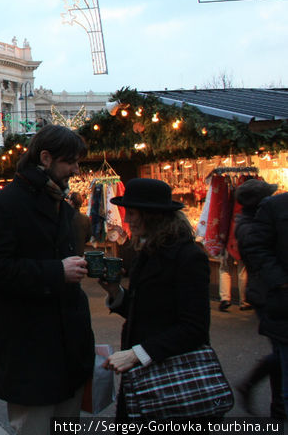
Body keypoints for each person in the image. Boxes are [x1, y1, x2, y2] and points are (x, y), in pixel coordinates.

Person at [0, 125, 94, 435]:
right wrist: (57, 271)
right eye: (70, 163)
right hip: (31, 351)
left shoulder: (63, 207)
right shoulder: (4, 206)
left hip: (69, 348)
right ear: (45, 158)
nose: (75, 170)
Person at [97, 178, 211, 420]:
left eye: (133, 213)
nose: (127, 220)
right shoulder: (147, 252)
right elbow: (144, 310)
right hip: (143, 376)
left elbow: (194, 328)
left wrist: (137, 354)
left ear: (152, 215)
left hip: (172, 380)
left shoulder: (188, 257)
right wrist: (115, 293)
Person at [234, 178, 282, 418]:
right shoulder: (252, 226)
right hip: (267, 293)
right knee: (281, 348)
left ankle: (277, 402)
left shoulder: (250, 222)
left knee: (281, 348)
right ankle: (264, 393)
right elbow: (261, 256)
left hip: (265, 290)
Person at [69, 191, 91, 257]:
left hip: (68, 253)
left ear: (71, 202)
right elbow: (88, 237)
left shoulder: (66, 218)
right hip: (80, 252)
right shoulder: (86, 218)